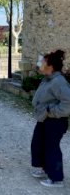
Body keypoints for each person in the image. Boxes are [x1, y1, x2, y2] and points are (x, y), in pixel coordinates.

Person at [30, 50, 70, 188]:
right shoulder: (47, 79)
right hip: (44, 119)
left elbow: (67, 104)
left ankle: (56, 178)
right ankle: (43, 168)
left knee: (52, 148)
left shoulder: (59, 82)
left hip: (55, 121)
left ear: (50, 66)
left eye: (43, 62)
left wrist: (50, 111)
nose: (40, 64)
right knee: (38, 143)